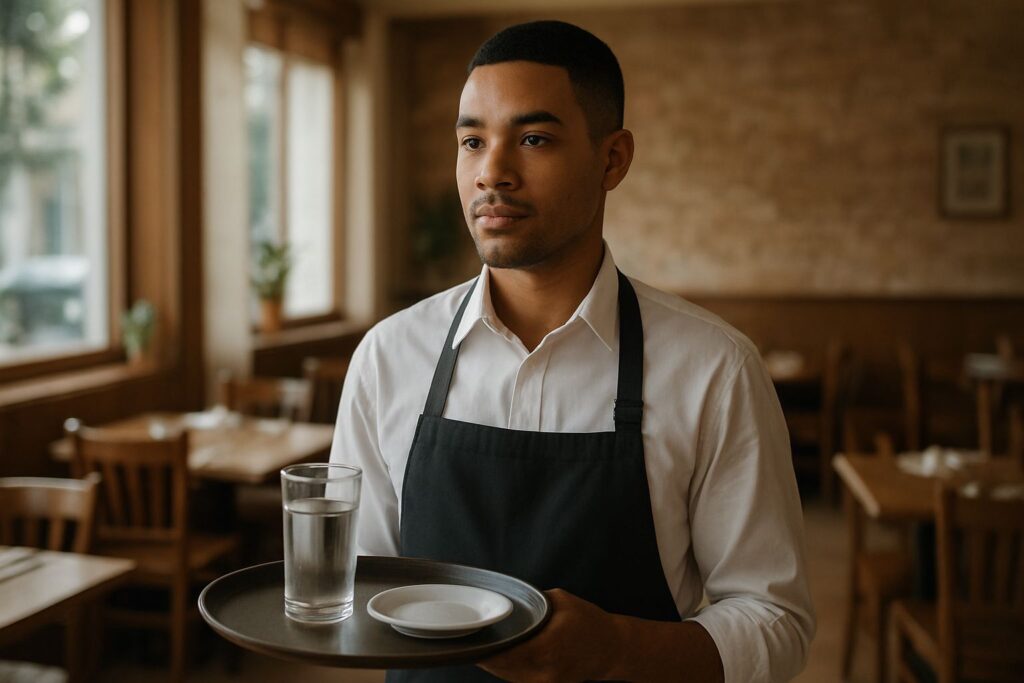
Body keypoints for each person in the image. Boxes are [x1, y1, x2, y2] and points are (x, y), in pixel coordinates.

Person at [331, 20, 814, 683]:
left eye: (533, 139)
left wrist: (618, 650)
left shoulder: (714, 368)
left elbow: (774, 618)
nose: (491, 172)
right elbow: (357, 586)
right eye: (472, 140)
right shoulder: (388, 357)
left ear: (612, 159)